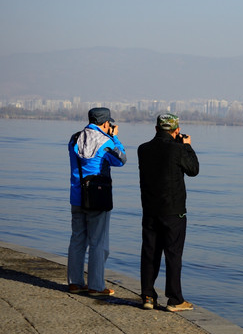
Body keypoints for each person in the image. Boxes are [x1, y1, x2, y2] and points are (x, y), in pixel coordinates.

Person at [138, 113, 199, 311]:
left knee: (149, 253)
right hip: (173, 212)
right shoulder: (178, 149)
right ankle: (174, 299)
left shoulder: (143, 149)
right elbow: (193, 170)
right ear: (177, 131)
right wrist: (187, 146)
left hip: (149, 209)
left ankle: (148, 296)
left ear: (156, 129)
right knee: (173, 254)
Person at [67, 107, 127, 296]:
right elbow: (121, 160)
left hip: (77, 195)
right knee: (98, 243)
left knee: (77, 240)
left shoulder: (74, 139)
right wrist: (115, 137)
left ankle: (75, 283)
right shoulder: (106, 142)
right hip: (97, 198)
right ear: (105, 123)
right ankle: (96, 286)